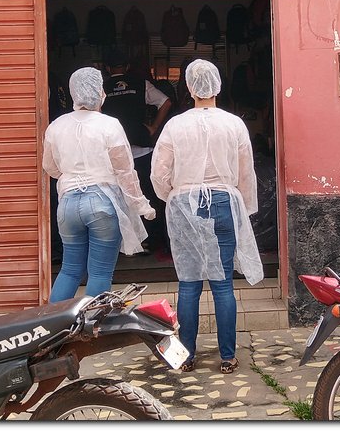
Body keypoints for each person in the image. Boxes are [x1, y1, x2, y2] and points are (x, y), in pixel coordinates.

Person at [151, 59, 264, 374]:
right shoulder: (234, 124)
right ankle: (227, 357)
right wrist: (245, 208)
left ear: (189, 87)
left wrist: (174, 196)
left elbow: (159, 173)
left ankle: (186, 357)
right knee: (223, 282)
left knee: (189, 284)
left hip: (185, 203)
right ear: (218, 86)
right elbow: (246, 173)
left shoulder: (175, 125)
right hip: (225, 201)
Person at [43, 67, 156, 302]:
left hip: (68, 206)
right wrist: (142, 206)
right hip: (102, 203)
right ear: (99, 92)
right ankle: (92, 329)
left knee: (70, 270)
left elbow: (51, 168)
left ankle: (51, 328)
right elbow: (125, 171)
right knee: (100, 272)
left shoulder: (56, 126)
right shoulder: (110, 125)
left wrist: (73, 175)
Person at [101, 49, 173, 259]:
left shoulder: (101, 88)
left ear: (107, 68)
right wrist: (153, 127)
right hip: (141, 151)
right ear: (127, 66)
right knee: (147, 197)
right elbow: (166, 102)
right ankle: (150, 241)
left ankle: (122, 245)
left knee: (117, 199)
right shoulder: (141, 84)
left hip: (111, 156)